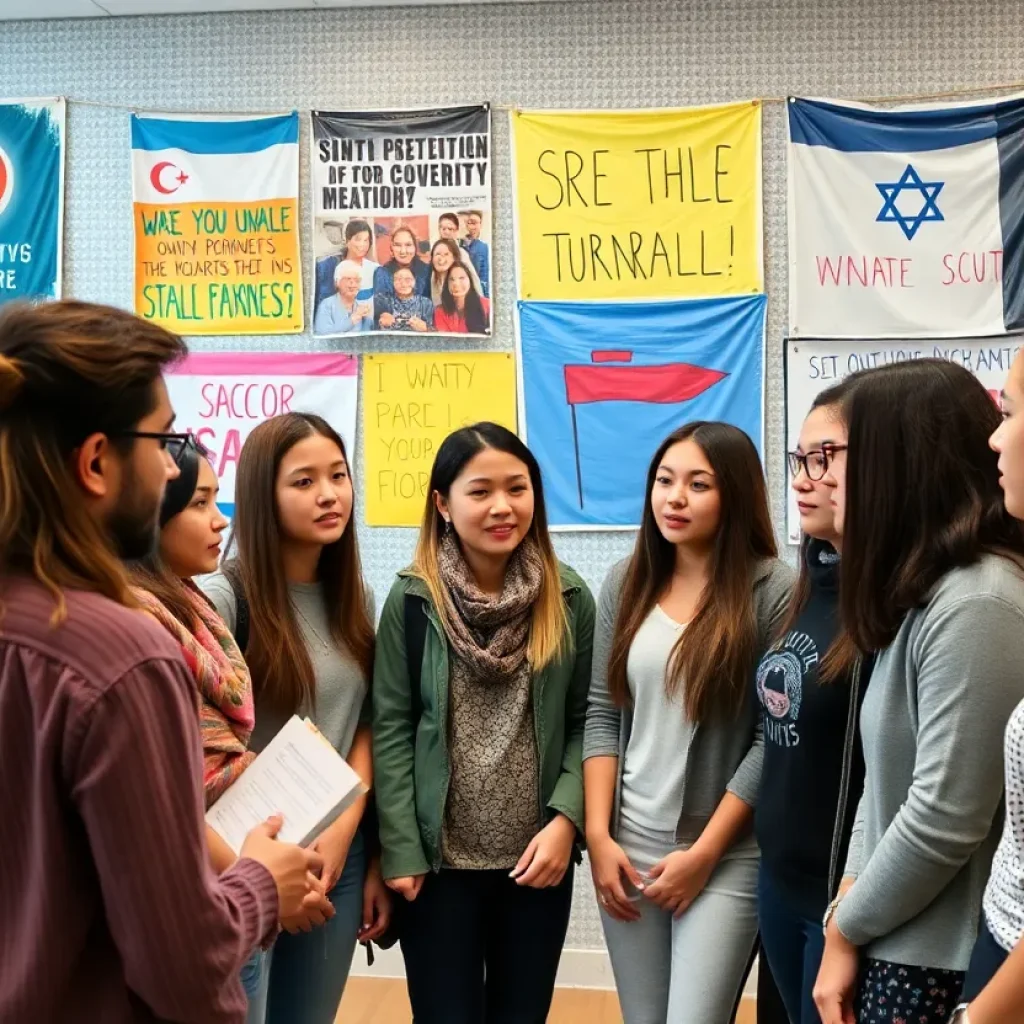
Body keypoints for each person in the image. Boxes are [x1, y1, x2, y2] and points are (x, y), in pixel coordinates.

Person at [0, 299, 320, 1022]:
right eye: (162, 439)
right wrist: (260, 883)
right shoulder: (121, 657)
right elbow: (182, 966)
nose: (171, 466)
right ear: (95, 463)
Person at [812, 360, 1024, 1024]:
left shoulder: (980, 600)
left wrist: (847, 927)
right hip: (889, 931)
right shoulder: (924, 592)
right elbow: (882, 788)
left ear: (899, 465)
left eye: (842, 456)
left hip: (936, 957)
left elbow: (944, 817)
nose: (827, 478)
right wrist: (844, 915)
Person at [372, 422, 595, 1024]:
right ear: (443, 504)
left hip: (536, 862)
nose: (503, 506)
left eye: (517, 488)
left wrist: (567, 821)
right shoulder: (412, 600)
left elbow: (587, 723)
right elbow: (390, 728)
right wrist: (400, 850)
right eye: (480, 491)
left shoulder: (569, 598)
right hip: (438, 865)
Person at [584, 421, 793, 1024]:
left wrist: (703, 855)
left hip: (723, 854)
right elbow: (602, 712)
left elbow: (771, 738)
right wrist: (598, 837)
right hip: (627, 846)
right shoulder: (626, 579)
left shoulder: (773, 588)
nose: (674, 498)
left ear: (735, 494)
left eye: (698, 484)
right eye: (664, 480)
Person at [202, 412, 388, 1024]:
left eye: (338, 475)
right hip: (245, 855)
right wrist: (258, 868)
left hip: (336, 854)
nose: (329, 494)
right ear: (263, 495)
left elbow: (366, 722)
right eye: (304, 481)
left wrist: (346, 831)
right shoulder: (224, 599)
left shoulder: (356, 597)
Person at [756, 382, 868, 1024]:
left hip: (839, 896)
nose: (803, 478)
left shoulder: (891, 602)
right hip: (779, 878)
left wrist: (847, 909)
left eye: (823, 458)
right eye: (800, 459)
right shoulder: (812, 576)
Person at [949, 348, 1024, 1024]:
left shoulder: (985, 599)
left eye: (1011, 413)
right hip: (997, 933)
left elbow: (945, 808)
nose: (994, 440)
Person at [314, 219, 377, 310]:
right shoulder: (327, 267)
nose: (362, 244)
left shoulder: (374, 269)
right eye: (358, 239)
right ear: (347, 241)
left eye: (366, 240)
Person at [313, 260, 373, 335]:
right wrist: (352, 320)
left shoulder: (360, 309)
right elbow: (323, 334)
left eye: (357, 280)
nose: (353, 284)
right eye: (348, 279)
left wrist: (368, 320)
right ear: (337, 282)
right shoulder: (326, 305)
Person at [372, 225, 430, 300]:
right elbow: (381, 303)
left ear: (415, 247)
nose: (403, 251)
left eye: (408, 245)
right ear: (391, 249)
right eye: (398, 245)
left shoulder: (426, 271)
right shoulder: (382, 274)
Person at [435, 264, 490, 335]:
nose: (456, 284)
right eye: (451, 279)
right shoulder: (440, 312)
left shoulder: (487, 305)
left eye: (461, 278)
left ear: (470, 280)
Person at [375, 265, 434, 332]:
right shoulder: (384, 300)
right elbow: (376, 324)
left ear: (415, 281)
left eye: (408, 279)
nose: (403, 284)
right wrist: (382, 320)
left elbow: (435, 332)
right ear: (392, 282)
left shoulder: (425, 303)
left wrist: (426, 328)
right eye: (398, 279)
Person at [427, 238, 482, 307]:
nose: (441, 258)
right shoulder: (434, 277)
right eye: (438, 254)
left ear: (454, 258)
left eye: (446, 254)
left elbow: (478, 296)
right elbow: (437, 305)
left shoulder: (462, 274)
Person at [460, 209, 490, 297]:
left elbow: (484, 275)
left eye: (476, 223)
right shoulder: (458, 244)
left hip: (477, 291)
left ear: (480, 224)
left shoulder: (483, 247)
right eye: (470, 223)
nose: (473, 226)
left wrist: (485, 296)